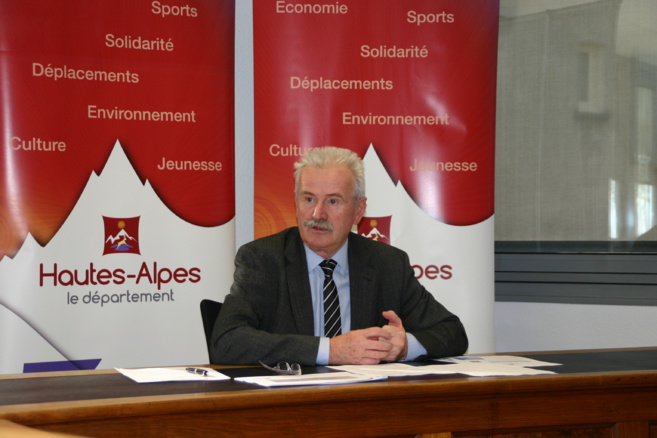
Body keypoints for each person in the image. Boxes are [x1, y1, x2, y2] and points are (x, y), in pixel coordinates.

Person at [210, 146, 468, 366]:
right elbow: (226, 340)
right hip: (291, 402)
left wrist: (404, 347)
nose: (317, 214)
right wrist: (330, 350)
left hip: (365, 400)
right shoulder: (263, 259)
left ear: (358, 210)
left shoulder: (388, 264)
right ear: (295, 203)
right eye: (309, 199)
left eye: (333, 201)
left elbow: (452, 333)